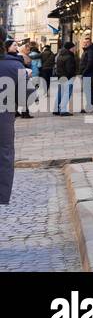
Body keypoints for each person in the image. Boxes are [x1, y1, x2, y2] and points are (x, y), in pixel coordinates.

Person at [0, 41, 22, 205]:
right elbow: (27, 97)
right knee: (4, 154)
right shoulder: (15, 66)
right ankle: (1, 196)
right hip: (4, 116)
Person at [53, 40, 78, 116]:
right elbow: (69, 69)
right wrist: (72, 76)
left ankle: (56, 109)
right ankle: (63, 110)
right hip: (67, 77)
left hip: (60, 76)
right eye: (73, 47)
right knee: (67, 93)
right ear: (70, 48)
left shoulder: (60, 55)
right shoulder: (69, 57)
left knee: (60, 93)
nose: (74, 49)